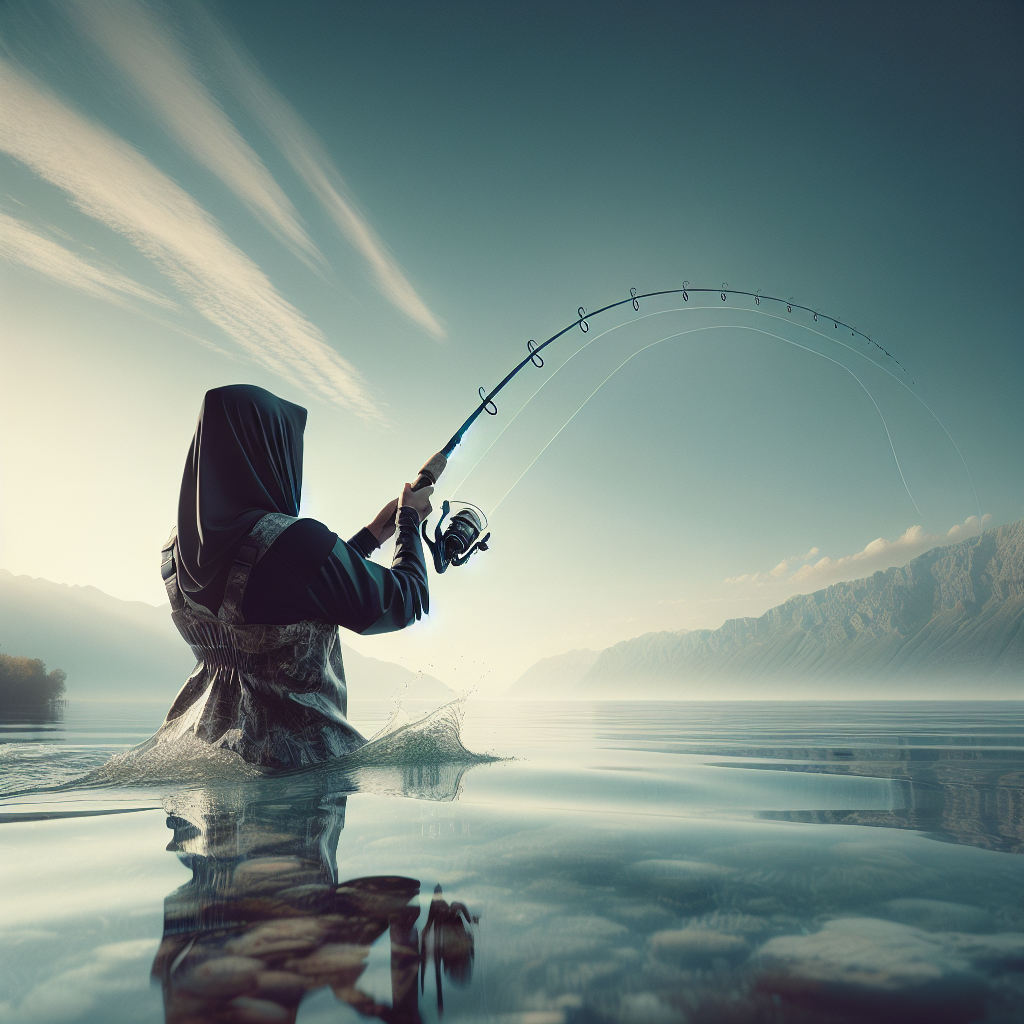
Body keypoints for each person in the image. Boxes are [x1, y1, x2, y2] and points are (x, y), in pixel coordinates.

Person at [148, 384, 435, 769]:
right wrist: (410, 520)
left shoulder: (176, 553)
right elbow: (403, 601)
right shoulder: (292, 543)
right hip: (298, 785)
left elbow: (285, 587)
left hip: (200, 757)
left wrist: (371, 535)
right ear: (270, 451)